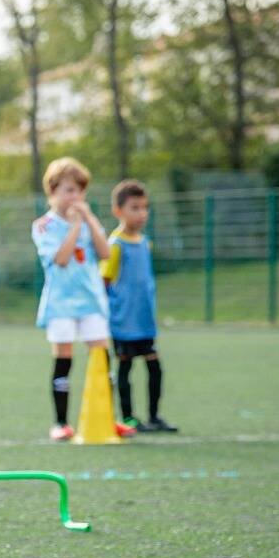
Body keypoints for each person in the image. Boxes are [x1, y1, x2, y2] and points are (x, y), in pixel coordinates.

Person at [32, 157, 130, 442]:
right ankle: (61, 422)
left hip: (91, 301)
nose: (74, 197)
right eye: (68, 190)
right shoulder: (43, 226)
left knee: (101, 356)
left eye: (79, 191)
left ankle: (108, 418)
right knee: (64, 358)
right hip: (61, 303)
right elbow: (61, 259)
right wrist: (75, 226)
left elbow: (105, 253)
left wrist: (88, 220)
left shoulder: (88, 220)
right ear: (52, 190)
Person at [100, 180, 175, 433]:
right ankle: (129, 418)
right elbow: (105, 282)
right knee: (125, 367)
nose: (142, 214)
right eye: (135, 208)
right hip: (123, 321)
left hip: (144, 321)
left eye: (145, 208)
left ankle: (154, 416)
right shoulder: (115, 245)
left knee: (155, 366)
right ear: (118, 211)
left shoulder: (145, 242)